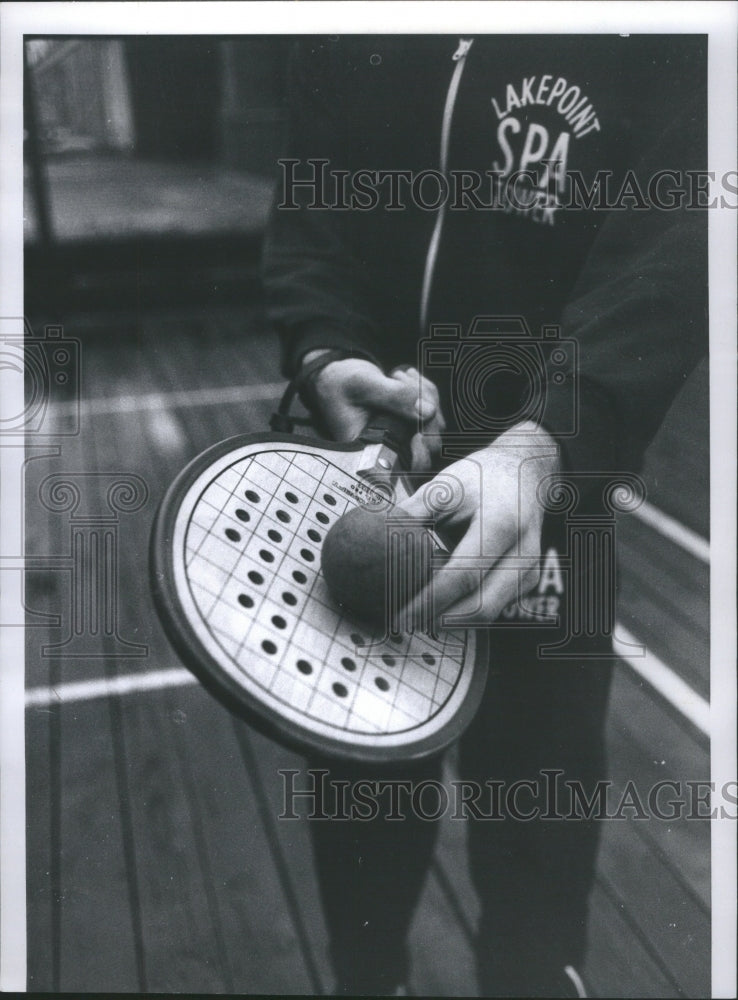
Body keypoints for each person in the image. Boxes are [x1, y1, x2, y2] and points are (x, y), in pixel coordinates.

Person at [261, 34, 707, 997]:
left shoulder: (668, 34)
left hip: (555, 502)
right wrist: (325, 349)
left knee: (540, 803)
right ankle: (367, 978)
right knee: (360, 789)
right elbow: (307, 214)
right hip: (369, 486)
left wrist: (548, 440)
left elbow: (686, 231)